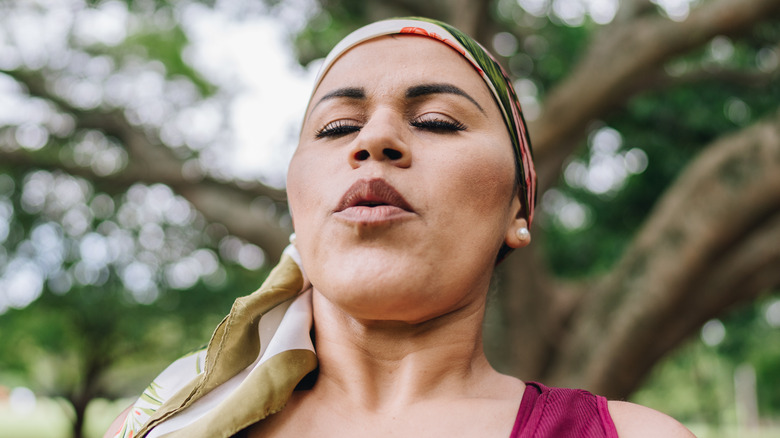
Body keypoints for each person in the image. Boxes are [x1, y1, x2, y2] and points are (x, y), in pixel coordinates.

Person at [106, 17, 695, 438]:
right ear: (297, 201)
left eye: (436, 121)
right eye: (336, 128)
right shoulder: (157, 428)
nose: (373, 140)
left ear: (518, 209)